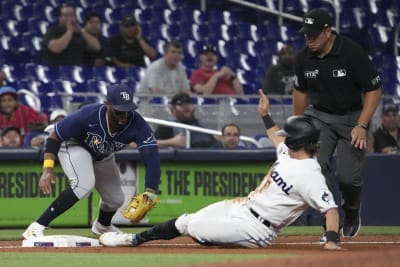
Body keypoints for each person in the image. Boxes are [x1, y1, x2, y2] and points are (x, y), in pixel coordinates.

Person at [99, 89, 342, 251]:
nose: (283, 139)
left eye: (288, 136)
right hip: (242, 206)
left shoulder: (311, 174)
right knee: (186, 221)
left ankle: (132, 241)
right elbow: (275, 136)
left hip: (258, 229)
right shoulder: (289, 152)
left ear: (299, 142)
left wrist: (331, 240)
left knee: (194, 228)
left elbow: (330, 209)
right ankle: (134, 239)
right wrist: (265, 116)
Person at [22, 84, 161, 239]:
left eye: (128, 109)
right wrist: (47, 170)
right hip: (73, 144)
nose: (124, 115)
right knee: (83, 184)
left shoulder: (137, 123)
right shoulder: (88, 115)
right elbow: (55, 137)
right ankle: (36, 226)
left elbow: (152, 158)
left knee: (115, 199)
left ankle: (102, 226)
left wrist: (150, 193)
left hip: (102, 154)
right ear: (107, 104)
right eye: (119, 110)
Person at [292, 8, 382, 241]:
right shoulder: (303, 58)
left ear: (328, 31)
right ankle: (329, 226)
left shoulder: (351, 52)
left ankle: (351, 212)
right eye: (305, 34)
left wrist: (362, 125)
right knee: (315, 168)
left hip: (353, 118)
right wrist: (298, 125)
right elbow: (300, 91)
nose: (308, 38)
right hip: (320, 118)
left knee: (347, 177)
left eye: (313, 34)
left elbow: (373, 88)